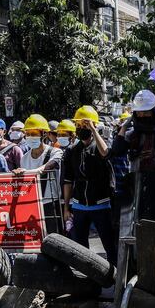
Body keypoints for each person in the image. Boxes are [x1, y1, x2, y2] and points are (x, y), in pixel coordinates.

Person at [61, 106, 116, 260]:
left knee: (109, 245)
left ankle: (115, 278)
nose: (81, 128)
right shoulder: (72, 151)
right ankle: (87, 280)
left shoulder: (100, 145)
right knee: (81, 249)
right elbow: (68, 180)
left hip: (101, 204)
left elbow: (105, 153)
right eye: (78, 125)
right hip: (79, 206)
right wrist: (67, 207)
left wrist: (93, 129)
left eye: (84, 125)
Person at [112, 91, 155, 222]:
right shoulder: (132, 135)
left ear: (154, 112)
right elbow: (116, 150)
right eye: (139, 113)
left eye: (146, 112)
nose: (142, 116)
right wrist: (124, 126)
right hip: (133, 191)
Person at [13, 114, 64, 234]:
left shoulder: (55, 152)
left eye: (34, 133)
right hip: (32, 204)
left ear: (44, 134)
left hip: (51, 203)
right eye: (28, 133)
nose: (31, 137)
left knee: (55, 238)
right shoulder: (24, 158)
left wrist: (25, 172)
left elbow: (46, 168)